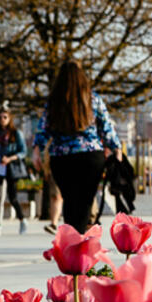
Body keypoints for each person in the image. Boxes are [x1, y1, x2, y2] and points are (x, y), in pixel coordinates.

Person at [32, 60, 122, 235]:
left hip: (62, 157)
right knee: (86, 202)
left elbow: (43, 130)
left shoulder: (54, 103)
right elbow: (107, 129)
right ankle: (80, 243)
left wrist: (37, 150)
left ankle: (73, 242)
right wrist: (116, 149)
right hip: (91, 157)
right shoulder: (93, 99)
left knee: (70, 200)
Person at [0, 104, 28, 235]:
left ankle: (22, 220)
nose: (2, 119)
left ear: (9, 118)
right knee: (0, 196)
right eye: (0, 117)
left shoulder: (16, 134)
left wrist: (10, 158)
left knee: (12, 197)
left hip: (11, 167)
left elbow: (23, 151)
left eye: (5, 117)